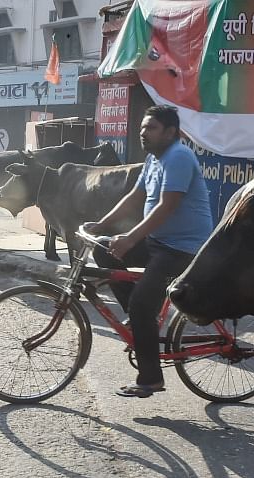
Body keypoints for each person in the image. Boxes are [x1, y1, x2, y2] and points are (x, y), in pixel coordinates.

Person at [83, 105, 213, 398]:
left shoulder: (178, 157)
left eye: (150, 128)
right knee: (104, 250)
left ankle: (151, 379)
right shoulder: (155, 158)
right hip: (159, 242)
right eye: (142, 128)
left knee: (141, 305)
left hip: (182, 248)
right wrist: (102, 226)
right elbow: (135, 197)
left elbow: (167, 206)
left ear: (171, 132)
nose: (143, 133)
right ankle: (143, 319)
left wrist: (129, 238)